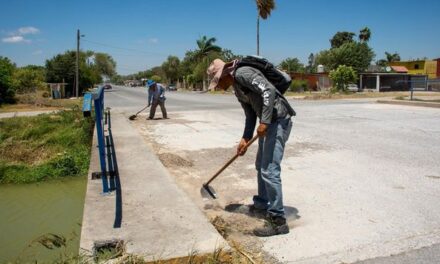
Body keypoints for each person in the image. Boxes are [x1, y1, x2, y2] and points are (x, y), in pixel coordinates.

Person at [207, 58, 295, 237]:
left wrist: (264, 121)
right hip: (268, 124)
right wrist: (245, 139)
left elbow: (268, 91)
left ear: (224, 75)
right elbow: (250, 115)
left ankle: (278, 221)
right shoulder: (238, 90)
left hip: (278, 121)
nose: (218, 86)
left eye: (218, 82)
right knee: (260, 166)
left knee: (269, 169)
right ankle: (262, 204)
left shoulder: (242, 73)